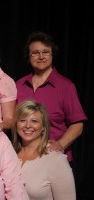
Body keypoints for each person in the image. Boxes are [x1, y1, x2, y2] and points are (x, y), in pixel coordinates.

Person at [16, 31, 87, 161]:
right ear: (29, 56)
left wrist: (60, 144)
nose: (41, 56)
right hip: (24, 158)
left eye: (46, 52)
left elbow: (78, 125)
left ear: (52, 54)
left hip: (53, 158)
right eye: (35, 53)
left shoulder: (66, 86)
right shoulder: (19, 85)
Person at [12, 99, 76, 200]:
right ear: (16, 125)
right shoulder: (9, 154)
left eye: (34, 121)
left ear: (43, 127)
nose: (28, 126)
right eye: (22, 120)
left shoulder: (56, 159)